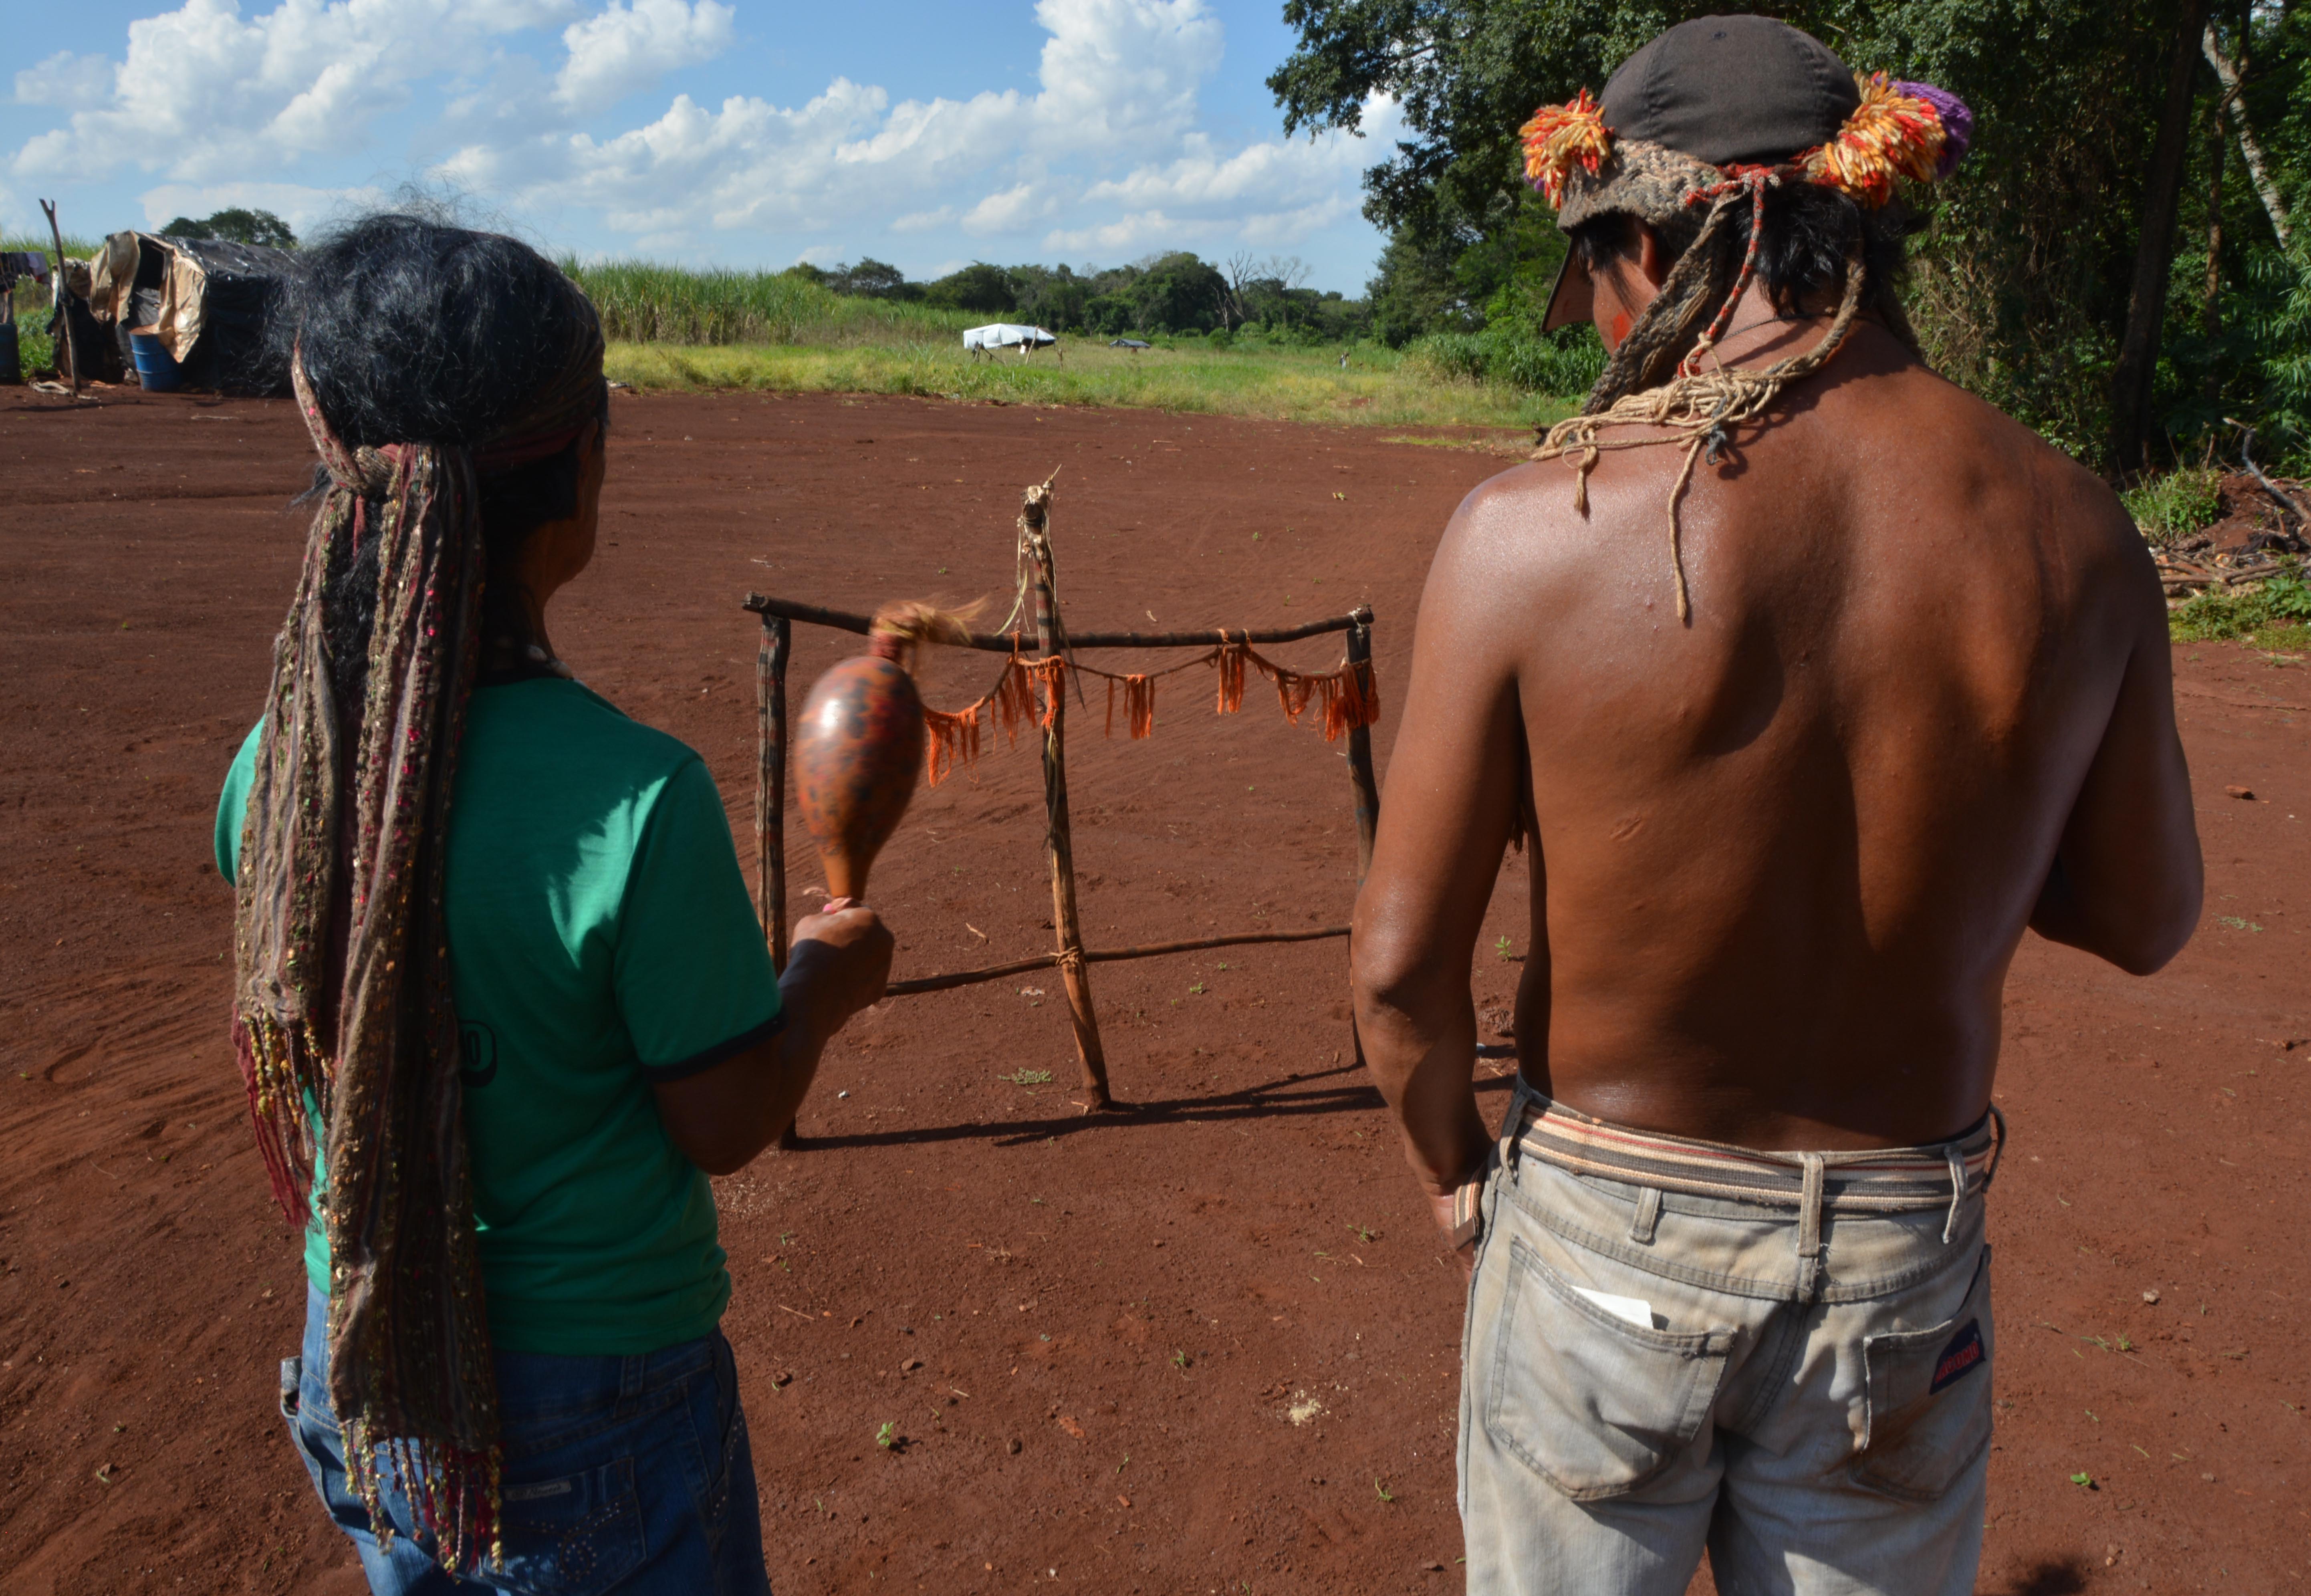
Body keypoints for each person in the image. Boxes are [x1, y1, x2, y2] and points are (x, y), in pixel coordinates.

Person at [1349, 17, 2201, 1596]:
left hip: (1604, 1238)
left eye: (1597, 260)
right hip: (1897, 1259)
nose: (1598, 314)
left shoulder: (1534, 528)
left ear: (1680, 233)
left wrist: (1457, 1172)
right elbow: (2144, 917)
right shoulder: (2068, 528)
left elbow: (1398, 974)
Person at [216, 215, 892, 1594]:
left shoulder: (275, 769)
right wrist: (826, 978)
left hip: (365, 1354)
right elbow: (723, 1117)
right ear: (580, 472)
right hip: (596, 1405)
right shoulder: (635, 803)